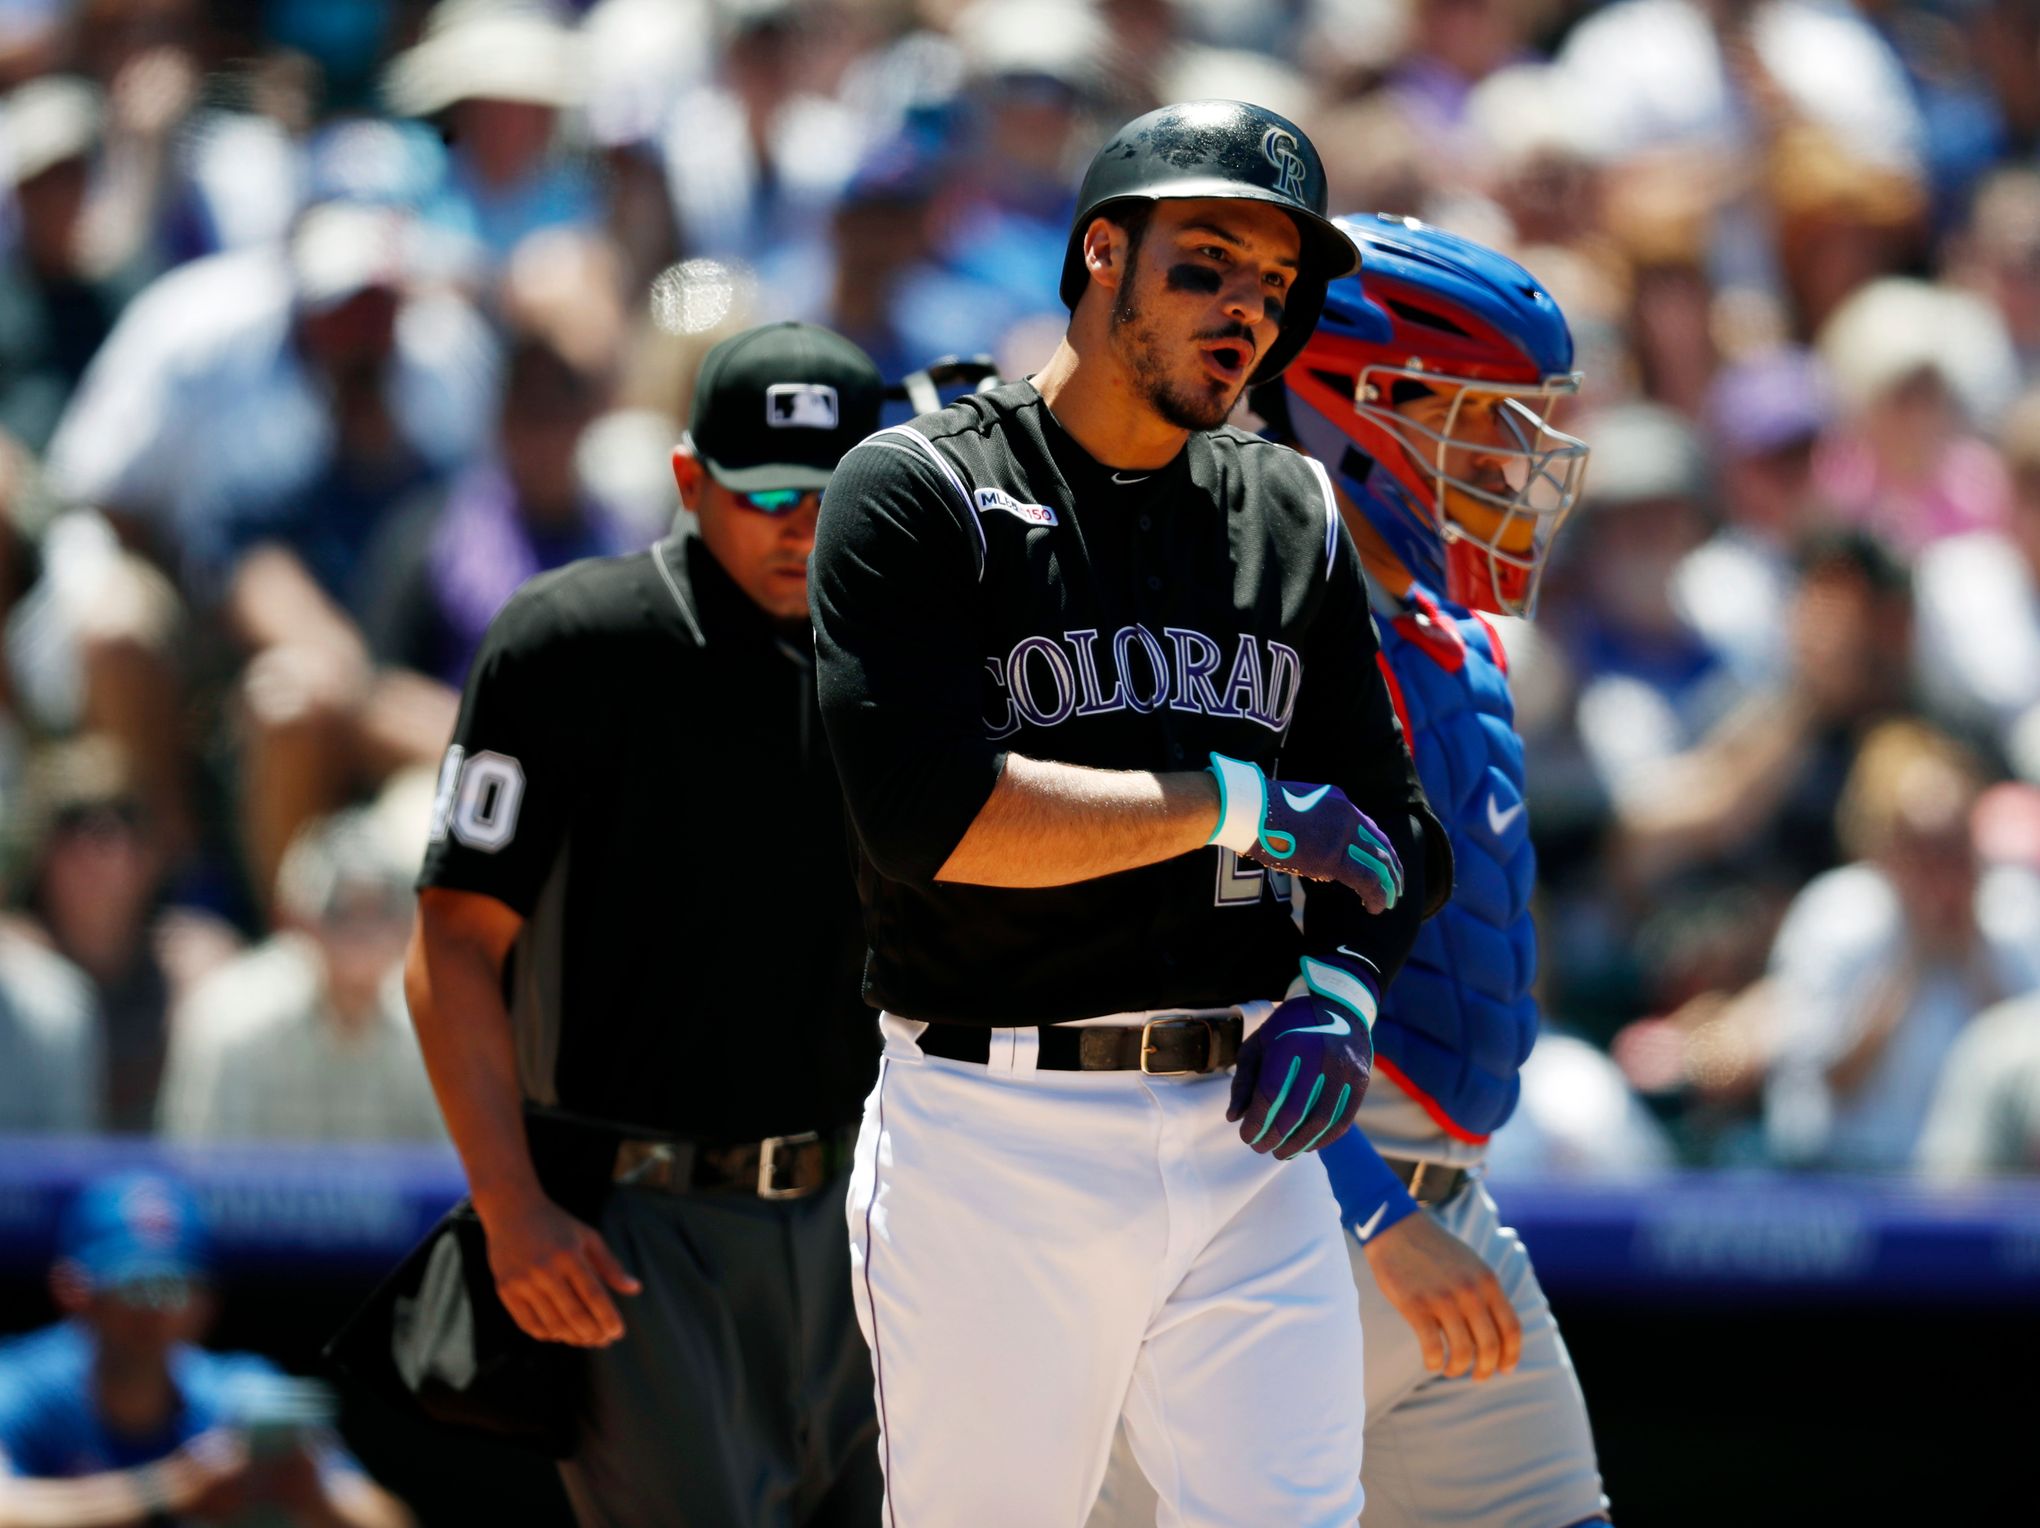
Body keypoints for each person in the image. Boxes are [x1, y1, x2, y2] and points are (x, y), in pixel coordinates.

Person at [811, 101, 1445, 1526]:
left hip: (1244, 1137)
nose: (1246, 315)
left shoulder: (1290, 508)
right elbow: (931, 818)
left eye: (1275, 291)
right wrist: (1240, 807)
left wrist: (1344, 989)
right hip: (993, 1127)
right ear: (1104, 252)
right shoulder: (920, 491)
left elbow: (1393, 826)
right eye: (1207, 265)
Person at [404, 321, 887, 1527]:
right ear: (688, 481)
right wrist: (511, 1209)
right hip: (643, 1224)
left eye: (832, 492)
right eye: (765, 490)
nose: (799, 523)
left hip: (866, 1204)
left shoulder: (900, 659)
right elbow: (454, 943)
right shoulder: (574, 640)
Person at [1179, 212, 1610, 1527]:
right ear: (1361, 406)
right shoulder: (1228, 622)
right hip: (1274, 1217)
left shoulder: (1448, 639)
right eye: (1483, 423)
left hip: (1451, 1215)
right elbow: (1193, 983)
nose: (1516, 465)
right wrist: (1370, 1215)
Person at [0, 1170, 410, 1527]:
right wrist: (170, 1490)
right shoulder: (22, 1384)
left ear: (206, 1303)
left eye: (173, 1286)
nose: (154, 1309)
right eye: (134, 1285)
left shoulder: (242, 1394)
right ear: (75, 1291)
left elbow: (388, 1521)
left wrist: (313, 1497)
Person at [156, 808, 444, 1144]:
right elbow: (199, 1174)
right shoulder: (232, 1022)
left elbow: (449, 1180)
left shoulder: (430, 1029)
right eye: (342, 910)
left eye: (382, 909)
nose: (364, 931)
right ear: (295, 919)